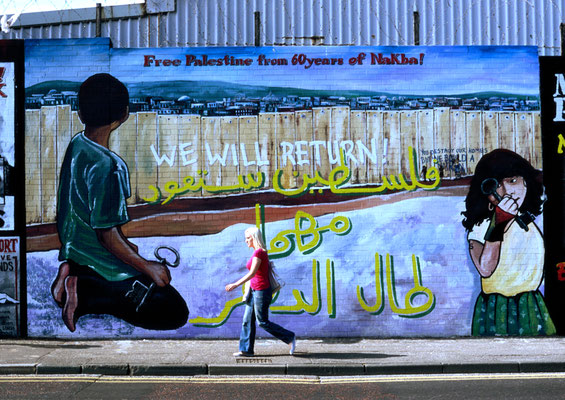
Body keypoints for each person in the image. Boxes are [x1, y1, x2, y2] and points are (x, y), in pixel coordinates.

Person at [51, 73, 188, 332]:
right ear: (123, 115)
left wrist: (130, 252)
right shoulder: (109, 166)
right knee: (173, 310)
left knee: (137, 264)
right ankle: (83, 290)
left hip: (76, 248)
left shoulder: (77, 145)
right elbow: (106, 235)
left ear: (80, 112)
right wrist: (147, 267)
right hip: (101, 262)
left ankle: (75, 271)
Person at [462, 149, 555, 336]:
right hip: (499, 308)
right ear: (486, 191)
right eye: (496, 185)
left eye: (513, 181)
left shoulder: (526, 221)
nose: (506, 192)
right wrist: (499, 223)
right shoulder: (482, 226)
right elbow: (486, 269)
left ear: (526, 183)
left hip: (530, 304)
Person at [225, 227, 296, 356]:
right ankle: (246, 350)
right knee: (247, 320)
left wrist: (235, 284)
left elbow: (252, 273)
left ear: (254, 237)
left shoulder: (259, 253)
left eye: (248, 238)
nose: (246, 241)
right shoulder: (255, 253)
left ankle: (289, 337)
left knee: (262, 322)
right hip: (254, 290)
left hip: (262, 291)